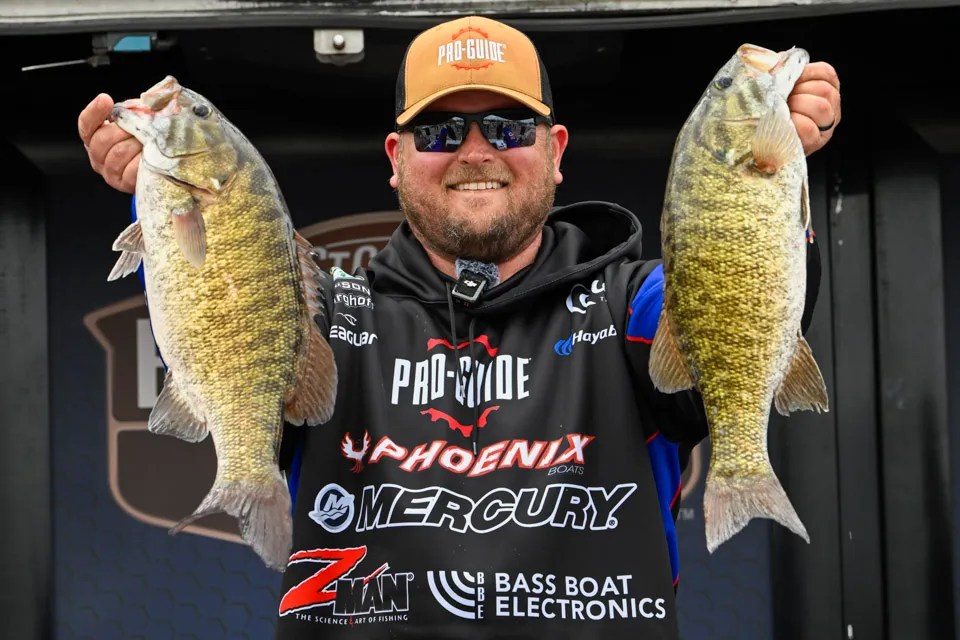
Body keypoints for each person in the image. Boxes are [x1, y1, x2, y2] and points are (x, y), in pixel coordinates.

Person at [77, 15, 841, 640]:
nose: (476, 152)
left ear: (556, 149)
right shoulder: (326, 316)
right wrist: (163, 199)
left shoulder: (633, 306)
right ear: (396, 157)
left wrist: (774, 173)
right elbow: (221, 297)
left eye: (508, 126)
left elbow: (736, 299)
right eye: (441, 132)